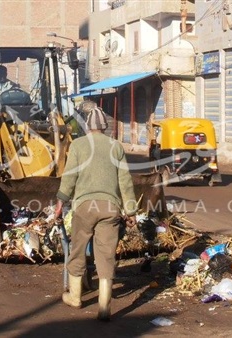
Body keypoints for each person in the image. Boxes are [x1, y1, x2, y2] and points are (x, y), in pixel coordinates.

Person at [53, 107, 137, 321]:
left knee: (78, 249)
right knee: (106, 255)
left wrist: (61, 202)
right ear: (105, 127)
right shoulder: (115, 146)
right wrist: (130, 210)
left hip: (84, 207)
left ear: (87, 126)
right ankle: (104, 308)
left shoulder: (78, 145)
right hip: (110, 207)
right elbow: (125, 181)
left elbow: (69, 177)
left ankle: (75, 297)